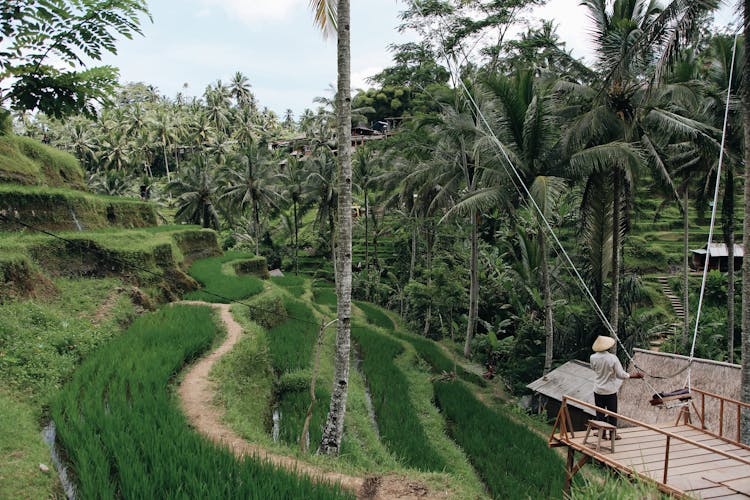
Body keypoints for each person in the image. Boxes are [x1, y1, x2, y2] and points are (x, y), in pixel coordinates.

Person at [590, 335, 643, 439]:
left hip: (598, 390)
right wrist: (634, 376)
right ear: (608, 347)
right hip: (610, 391)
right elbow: (620, 374)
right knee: (612, 413)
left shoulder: (593, 357)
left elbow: (594, 369)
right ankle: (613, 434)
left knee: (600, 413)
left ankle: (602, 433)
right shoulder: (612, 358)